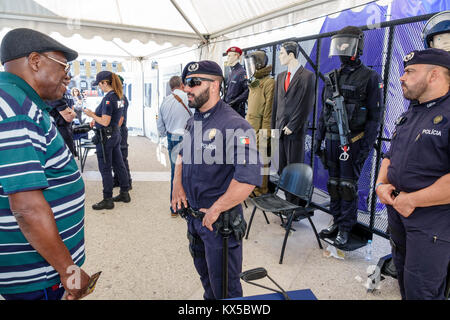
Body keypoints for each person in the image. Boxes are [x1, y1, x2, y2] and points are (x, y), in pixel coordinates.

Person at [0, 28, 91, 300]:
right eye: (64, 65)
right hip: (40, 276)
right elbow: (27, 208)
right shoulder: (16, 109)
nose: (69, 74)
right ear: (36, 61)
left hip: (40, 270)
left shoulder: (19, 102)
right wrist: (69, 271)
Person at [171, 60, 262, 299]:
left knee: (226, 291)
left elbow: (247, 179)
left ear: (215, 85)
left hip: (218, 225)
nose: (186, 89)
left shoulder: (236, 125)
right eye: (185, 84)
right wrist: (176, 185)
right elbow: (182, 154)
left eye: (193, 83)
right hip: (194, 221)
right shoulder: (194, 121)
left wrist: (215, 210)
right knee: (207, 283)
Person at [375, 48, 450, 300]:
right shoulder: (411, 112)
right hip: (398, 213)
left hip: (432, 222)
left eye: (409, 71)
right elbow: (389, 155)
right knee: (405, 284)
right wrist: (380, 183)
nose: (401, 77)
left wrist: (412, 200)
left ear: (434, 75)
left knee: (423, 291)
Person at [315, 26, 383, 246]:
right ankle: (336, 221)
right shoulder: (332, 77)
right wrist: (319, 140)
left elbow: (375, 116)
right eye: (340, 44)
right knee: (333, 184)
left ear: (357, 46)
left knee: (347, 186)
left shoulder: (370, 77)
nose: (343, 49)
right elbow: (324, 112)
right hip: (332, 140)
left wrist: (365, 148)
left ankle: (346, 228)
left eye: (347, 44)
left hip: (353, 142)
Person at [272, 41, 316, 206]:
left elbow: (306, 104)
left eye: (282, 53)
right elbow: (276, 104)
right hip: (280, 127)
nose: (280, 56)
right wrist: (274, 128)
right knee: (282, 167)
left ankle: (294, 204)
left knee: (295, 167)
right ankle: (286, 201)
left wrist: (293, 125)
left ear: (291, 55)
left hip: (294, 131)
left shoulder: (307, 76)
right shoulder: (281, 76)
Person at [84, 71, 130, 210]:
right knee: (119, 164)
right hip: (115, 134)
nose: (99, 87)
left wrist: (91, 114)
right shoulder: (120, 96)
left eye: (99, 84)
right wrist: (95, 119)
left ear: (105, 82)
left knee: (105, 168)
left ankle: (107, 199)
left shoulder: (109, 98)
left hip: (106, 137)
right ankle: (124, 192)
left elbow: (105, 121)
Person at [157, 75, 191, 217]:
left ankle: (175, 208)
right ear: (182, 85)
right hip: (188, 137)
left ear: (171, 87)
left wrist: (164, 134)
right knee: (190, 172)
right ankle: (189, 206)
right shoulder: (189, 98)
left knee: (175, 173)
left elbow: (160, 126)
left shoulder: (164, 101)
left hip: (172, 138)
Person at [244, 50, 275, 196]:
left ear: (259, 64)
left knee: (262, 161)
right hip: (249, 127)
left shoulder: (269, 83)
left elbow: (268, 112)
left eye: (251, 63)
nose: (248, 67)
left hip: (260, 129)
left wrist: (265, 134)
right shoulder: (254, 82)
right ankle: (252, 188)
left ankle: (261, 190)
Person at [113, 75, 132, 191]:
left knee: (122, 157)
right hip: (118, 130)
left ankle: (127, 181)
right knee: (115, 156)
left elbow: (120, 118)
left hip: (120, 131)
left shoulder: (121, 98)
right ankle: (117, 179)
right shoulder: (117, 97)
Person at [47, 92, 78, 156]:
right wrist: (73, 113)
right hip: (61, 129)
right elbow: (70, 115)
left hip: (59, 128)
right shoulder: (58, 93)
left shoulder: (55, 93)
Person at [223, 47, 249, 118]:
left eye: (229, 56)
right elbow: (228, 90)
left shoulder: (242, 72)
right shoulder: (231, 72)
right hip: (228, 109)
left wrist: (235, 102)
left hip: (237, 110)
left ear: (236, 56)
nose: (227, 58)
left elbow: (247, 91)